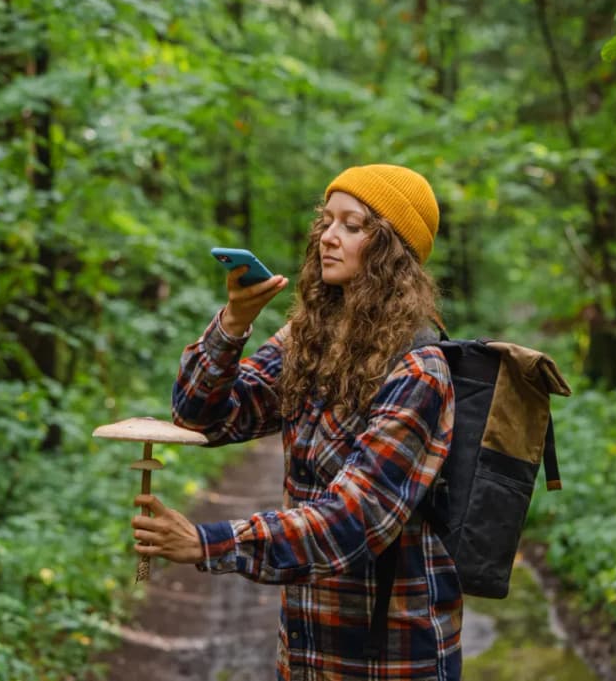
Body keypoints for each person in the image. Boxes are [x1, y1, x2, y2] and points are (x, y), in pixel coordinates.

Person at [132, 164, 461, 680]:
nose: (328, 236)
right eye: (326, 221)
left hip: (391, 657)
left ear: (392, 251)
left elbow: (352, 520)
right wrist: (234, 321)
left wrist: (207, 541)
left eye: (352, 225)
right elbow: (202, 417)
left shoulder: (419, 370)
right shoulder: (308, 340)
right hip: (307, 649)